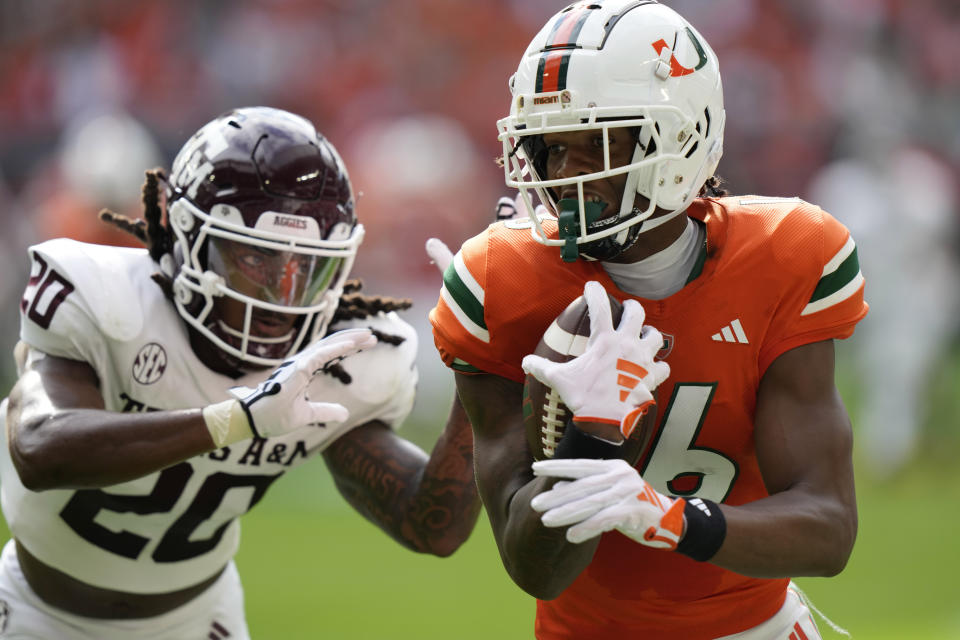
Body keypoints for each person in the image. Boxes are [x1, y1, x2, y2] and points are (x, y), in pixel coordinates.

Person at [429, 1, 867, 638]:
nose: (567, 173)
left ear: (683, 135)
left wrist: (666, 518)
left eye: (597, 141)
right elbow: (533, 566)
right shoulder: (502, 282)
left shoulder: (786, 254)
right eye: (550, 147)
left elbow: (828, 528)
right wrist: (591, 439)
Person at [0, 106, 480, 639]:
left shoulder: (333, 363)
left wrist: (482, 368)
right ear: (187, 240)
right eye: (256, 260)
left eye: (307, 267)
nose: (282, 294)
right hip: (35, 611)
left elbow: (431, 523)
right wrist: (234, 421)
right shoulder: (112, 303)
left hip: (199, 620)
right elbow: (40, 447)